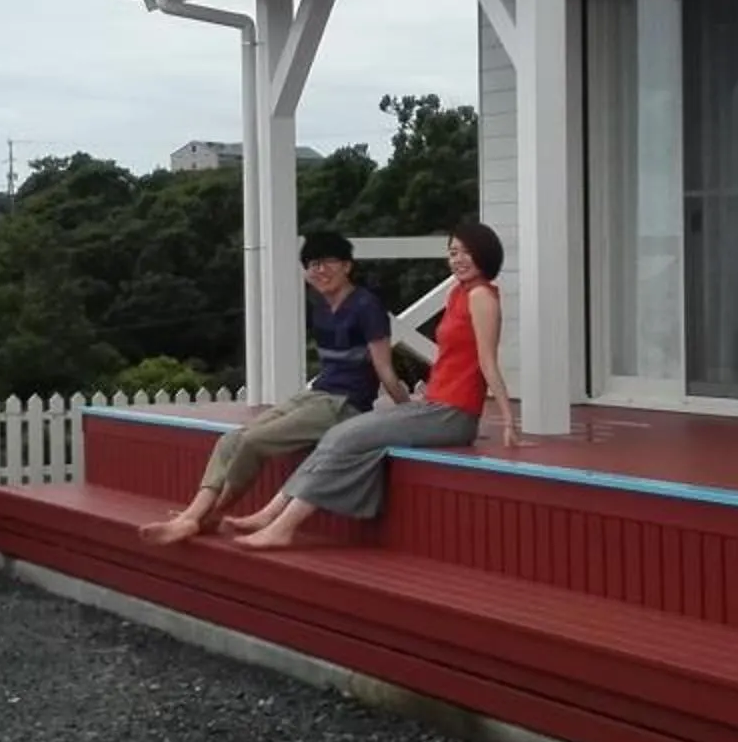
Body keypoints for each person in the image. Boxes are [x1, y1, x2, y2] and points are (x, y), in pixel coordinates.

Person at [229, 221, 515, 551]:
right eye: (453, 252)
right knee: (341, 434)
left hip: (453, 413)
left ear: (485, 254)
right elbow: (453, 359)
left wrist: (507, 420)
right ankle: (271, 514)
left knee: (345, 435)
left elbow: (487, 362)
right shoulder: (458, 293)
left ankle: (282, 526)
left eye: (466, 252)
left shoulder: (482, 297)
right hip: (433, 404)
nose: (458, 259)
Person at [138, 232, 406, 545]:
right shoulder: (321, 307)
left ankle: (206, 516)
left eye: (328, 262)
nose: (320, 270)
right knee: (230, 440)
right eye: (312, 264)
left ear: (347, 266)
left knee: (254, 441)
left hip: (344, 404)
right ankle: (191, 516)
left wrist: (407, 412)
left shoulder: (366, 306)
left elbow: (384, 369)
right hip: (318, 395)